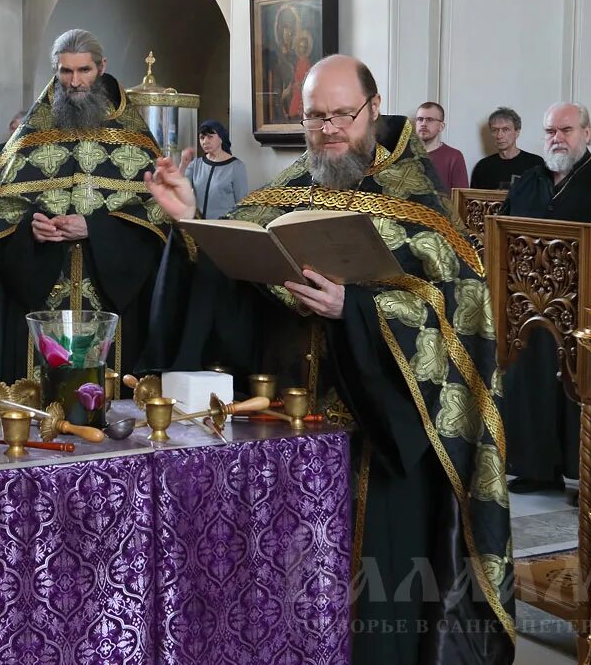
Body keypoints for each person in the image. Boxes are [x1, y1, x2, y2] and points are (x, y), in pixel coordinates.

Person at [149, 54, 514, 664]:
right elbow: (234, 274)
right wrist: (191, 221)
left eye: (342, 114)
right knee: (281, 599)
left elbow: (459, 314)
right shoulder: (284, 192)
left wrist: (359, 311)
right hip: (286, 439)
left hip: (383, 439)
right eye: (315, 117)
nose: (329, 130)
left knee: (373, 617)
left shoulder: (422, 202)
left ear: (373, 109)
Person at [0, 28, 171, 383]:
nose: (75, 82)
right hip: (43, 287)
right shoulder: (30, 136)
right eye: (65, 72)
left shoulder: (134, 137)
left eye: (84, 71)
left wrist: (95, 229)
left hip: (110, 291)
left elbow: (158, 214)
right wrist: (31, 225)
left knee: (106, 392)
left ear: (102, 67)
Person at [500, 102, 591, 495]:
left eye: (565, 130)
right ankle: (535, 467)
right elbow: (503, 230)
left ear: (585, 134)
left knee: (585, 389)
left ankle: (590, 475)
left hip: (588, 307)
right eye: (550, 131)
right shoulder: (530, 180)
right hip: (530, 306)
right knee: (529, 384)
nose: (556, 138)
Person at [183, 120, 249, 219]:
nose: (205, 141)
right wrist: (183, 164)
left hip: (223, 228)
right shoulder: (195, 165)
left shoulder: (236, 167)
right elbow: (180, 190)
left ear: (221, 138)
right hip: (197, 226)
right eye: (202, 138)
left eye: (210, 137)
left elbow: (241, 204)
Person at [470, 107, 544, 190]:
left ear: (517, 132)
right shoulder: (482, 167)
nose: (499, 136)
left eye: (505, 129)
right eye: (495, 130)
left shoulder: (535, 164)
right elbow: (473, 200)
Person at [414, 101, 468, 190]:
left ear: (441, 126)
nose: (423, 124)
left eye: (429, 119)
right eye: (420, 119)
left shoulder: (454, 156)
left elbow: (461, 197)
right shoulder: (405, 153)